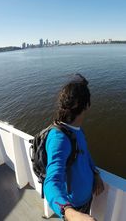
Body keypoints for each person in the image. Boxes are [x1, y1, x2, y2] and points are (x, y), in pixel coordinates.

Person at [44, 74, 104, 221]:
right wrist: (71, 213)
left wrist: (95, 173)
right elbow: (51, 182)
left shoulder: (76, 129)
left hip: (85, 197)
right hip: (73, 205)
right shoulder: (59, 139)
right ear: (87, 106)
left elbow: (85, 153)